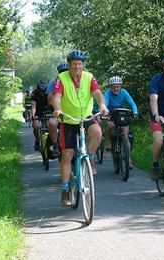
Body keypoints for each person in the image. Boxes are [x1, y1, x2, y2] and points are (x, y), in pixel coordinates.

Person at [52, 50, 109, 206]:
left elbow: (97, 93)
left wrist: (102, 105)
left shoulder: (89, 77)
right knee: (68, 154)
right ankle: (65, 190)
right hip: (69, 120)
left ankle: (89, 157)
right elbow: (56, 97)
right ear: (69, 66)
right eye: (74, 64)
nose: (77, 67)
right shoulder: (61, 78)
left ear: (83, 65)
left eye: (80, 64)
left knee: (97, 132)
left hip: (86, 117)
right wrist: (57, 109)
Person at [104, 76, 139, 167]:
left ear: (121, 86)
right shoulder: (107, 93)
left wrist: (135, 112)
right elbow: (105, 104)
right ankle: (109, 141)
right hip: (111, 115)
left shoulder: (124, 92)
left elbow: (132, 103)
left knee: (125, 135)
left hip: (121, 115)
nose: (116, 88)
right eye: (113, 87)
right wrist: (104, 113)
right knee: (111, 126)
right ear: (111, 87)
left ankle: (128, 158)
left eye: (118, 86)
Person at [45, 63, 69, 153]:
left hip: (71, 110)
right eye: (61, 72)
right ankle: (55, 144)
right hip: (57, 110)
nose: (64, 73)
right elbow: (50, 99)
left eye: (66, 71)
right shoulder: (53, 83)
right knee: (52, 123)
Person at [31, 80, 51, 151]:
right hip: (38, 112)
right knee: (36, 126)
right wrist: (33, 115)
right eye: (40, 92)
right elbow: (33, 105)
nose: (42, 93)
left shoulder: (48, 91)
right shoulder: (34, 93)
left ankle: (52, 141)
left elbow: (51, 102)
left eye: (43, 92)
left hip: (48, 111)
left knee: (50, 125)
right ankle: (37, 140)